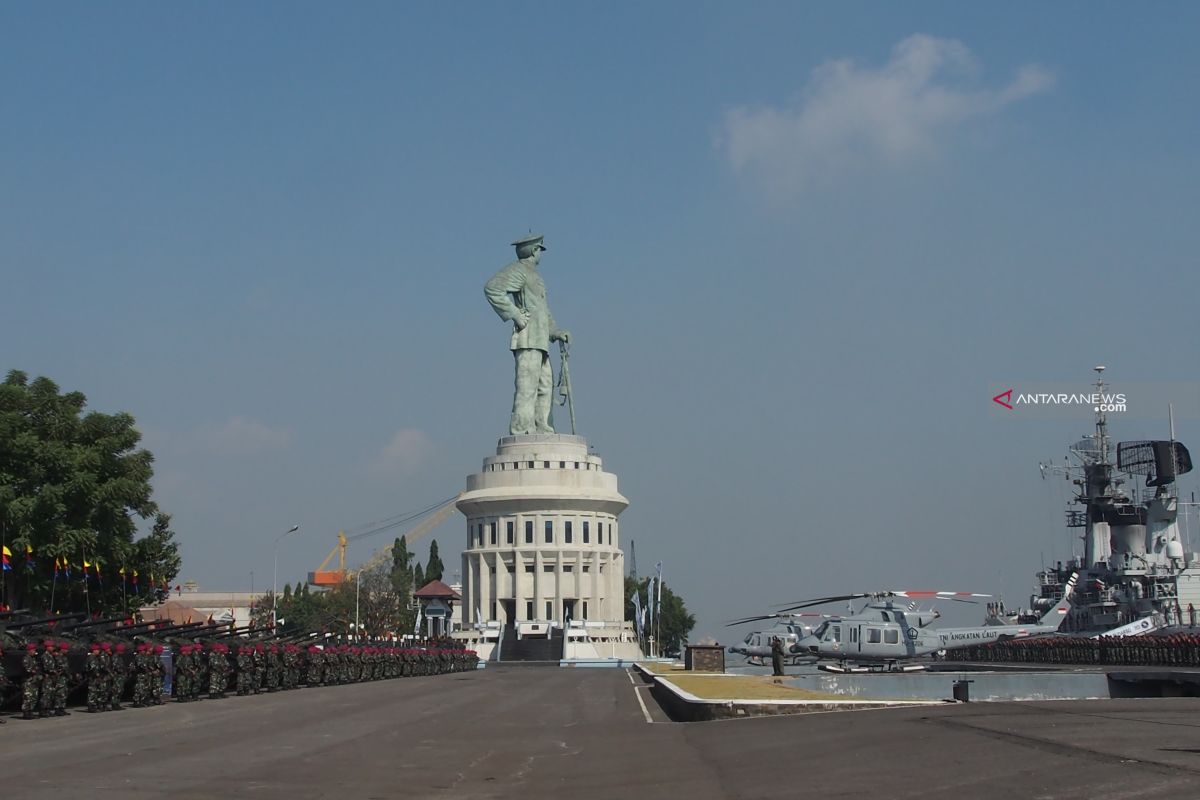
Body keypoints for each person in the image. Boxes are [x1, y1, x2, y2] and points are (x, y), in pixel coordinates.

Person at [484, 234, 571, 435]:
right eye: (540, 249)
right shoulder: (519, 270)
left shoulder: (534, 275)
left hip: (541, 341)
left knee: (545, 386)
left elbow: (542, 309)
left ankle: (543, 428)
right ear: (534, 250)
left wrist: (555, 331)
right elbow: (493, 288)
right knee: (527, 386)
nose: (540, 253)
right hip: (527, 338)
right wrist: (515, 314)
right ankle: (522, 429)